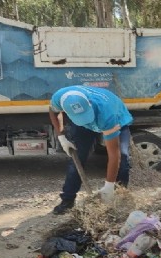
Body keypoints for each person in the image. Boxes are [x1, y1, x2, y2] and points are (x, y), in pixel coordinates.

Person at [49, 86, 133, 215]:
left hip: (114, 120)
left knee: (123, 157)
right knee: (78, 157)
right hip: (85, 122)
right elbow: (53, 111)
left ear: (89, 103)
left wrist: (109, 186)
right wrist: (61, 136)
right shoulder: (59, 97)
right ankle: (68, 200)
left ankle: (119, 198)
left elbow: (114, 155)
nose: (87, 122)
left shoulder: (107, 114)